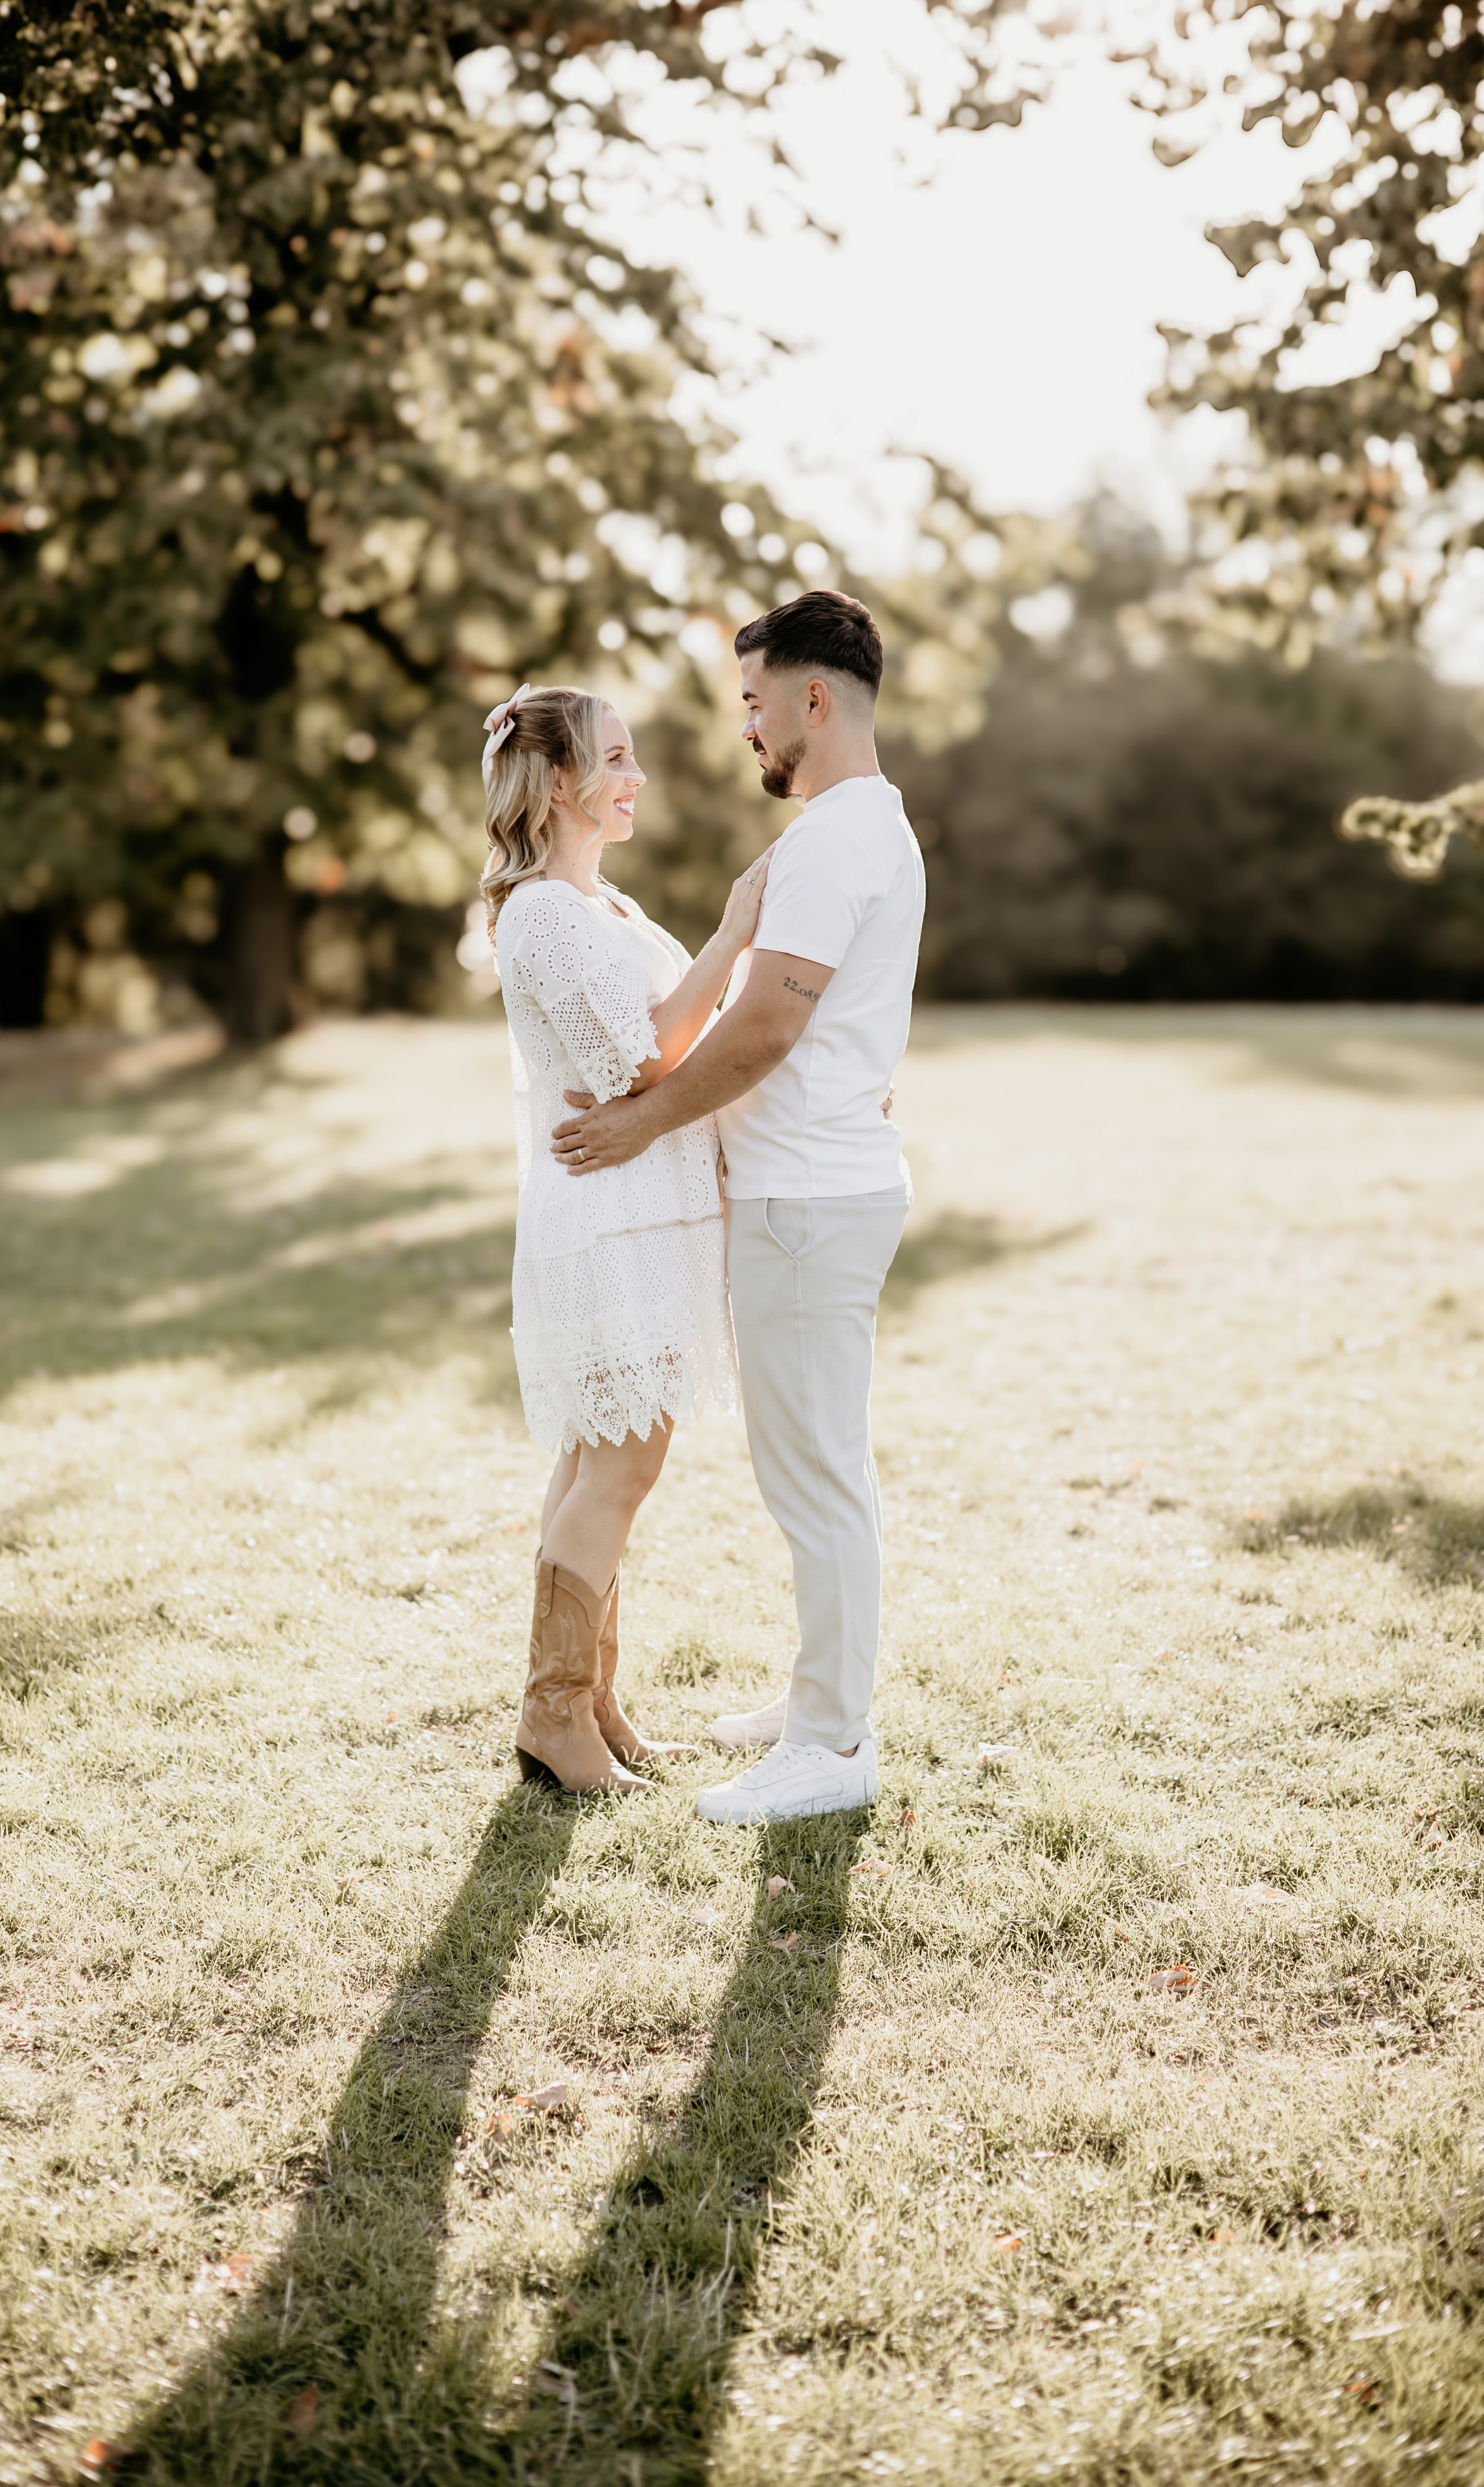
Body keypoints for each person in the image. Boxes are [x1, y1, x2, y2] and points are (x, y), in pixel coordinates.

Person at [550, 591, 924, 1824]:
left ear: (815, 700)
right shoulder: (873, 828)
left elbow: (767, 1026)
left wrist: (637, 1123)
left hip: (807, 1205)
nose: (748, 732)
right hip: (819, 1187)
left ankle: (831, 1746)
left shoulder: (831, 841)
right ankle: (823, 1694)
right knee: (821, 1469)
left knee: (814, 1477)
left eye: (756, 705)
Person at [484, 683, 772, 1796]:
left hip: (647, 1213)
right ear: (558, 782)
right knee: (621, 1459)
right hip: (606, 1219)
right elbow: (638, 1062)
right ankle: (555, 1719)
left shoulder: (604, 906)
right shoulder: (543, 913)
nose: (635, 777)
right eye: (614, 758)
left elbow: (677, 1032)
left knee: (600, 1458)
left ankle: (588, 1706)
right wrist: (735, 928)